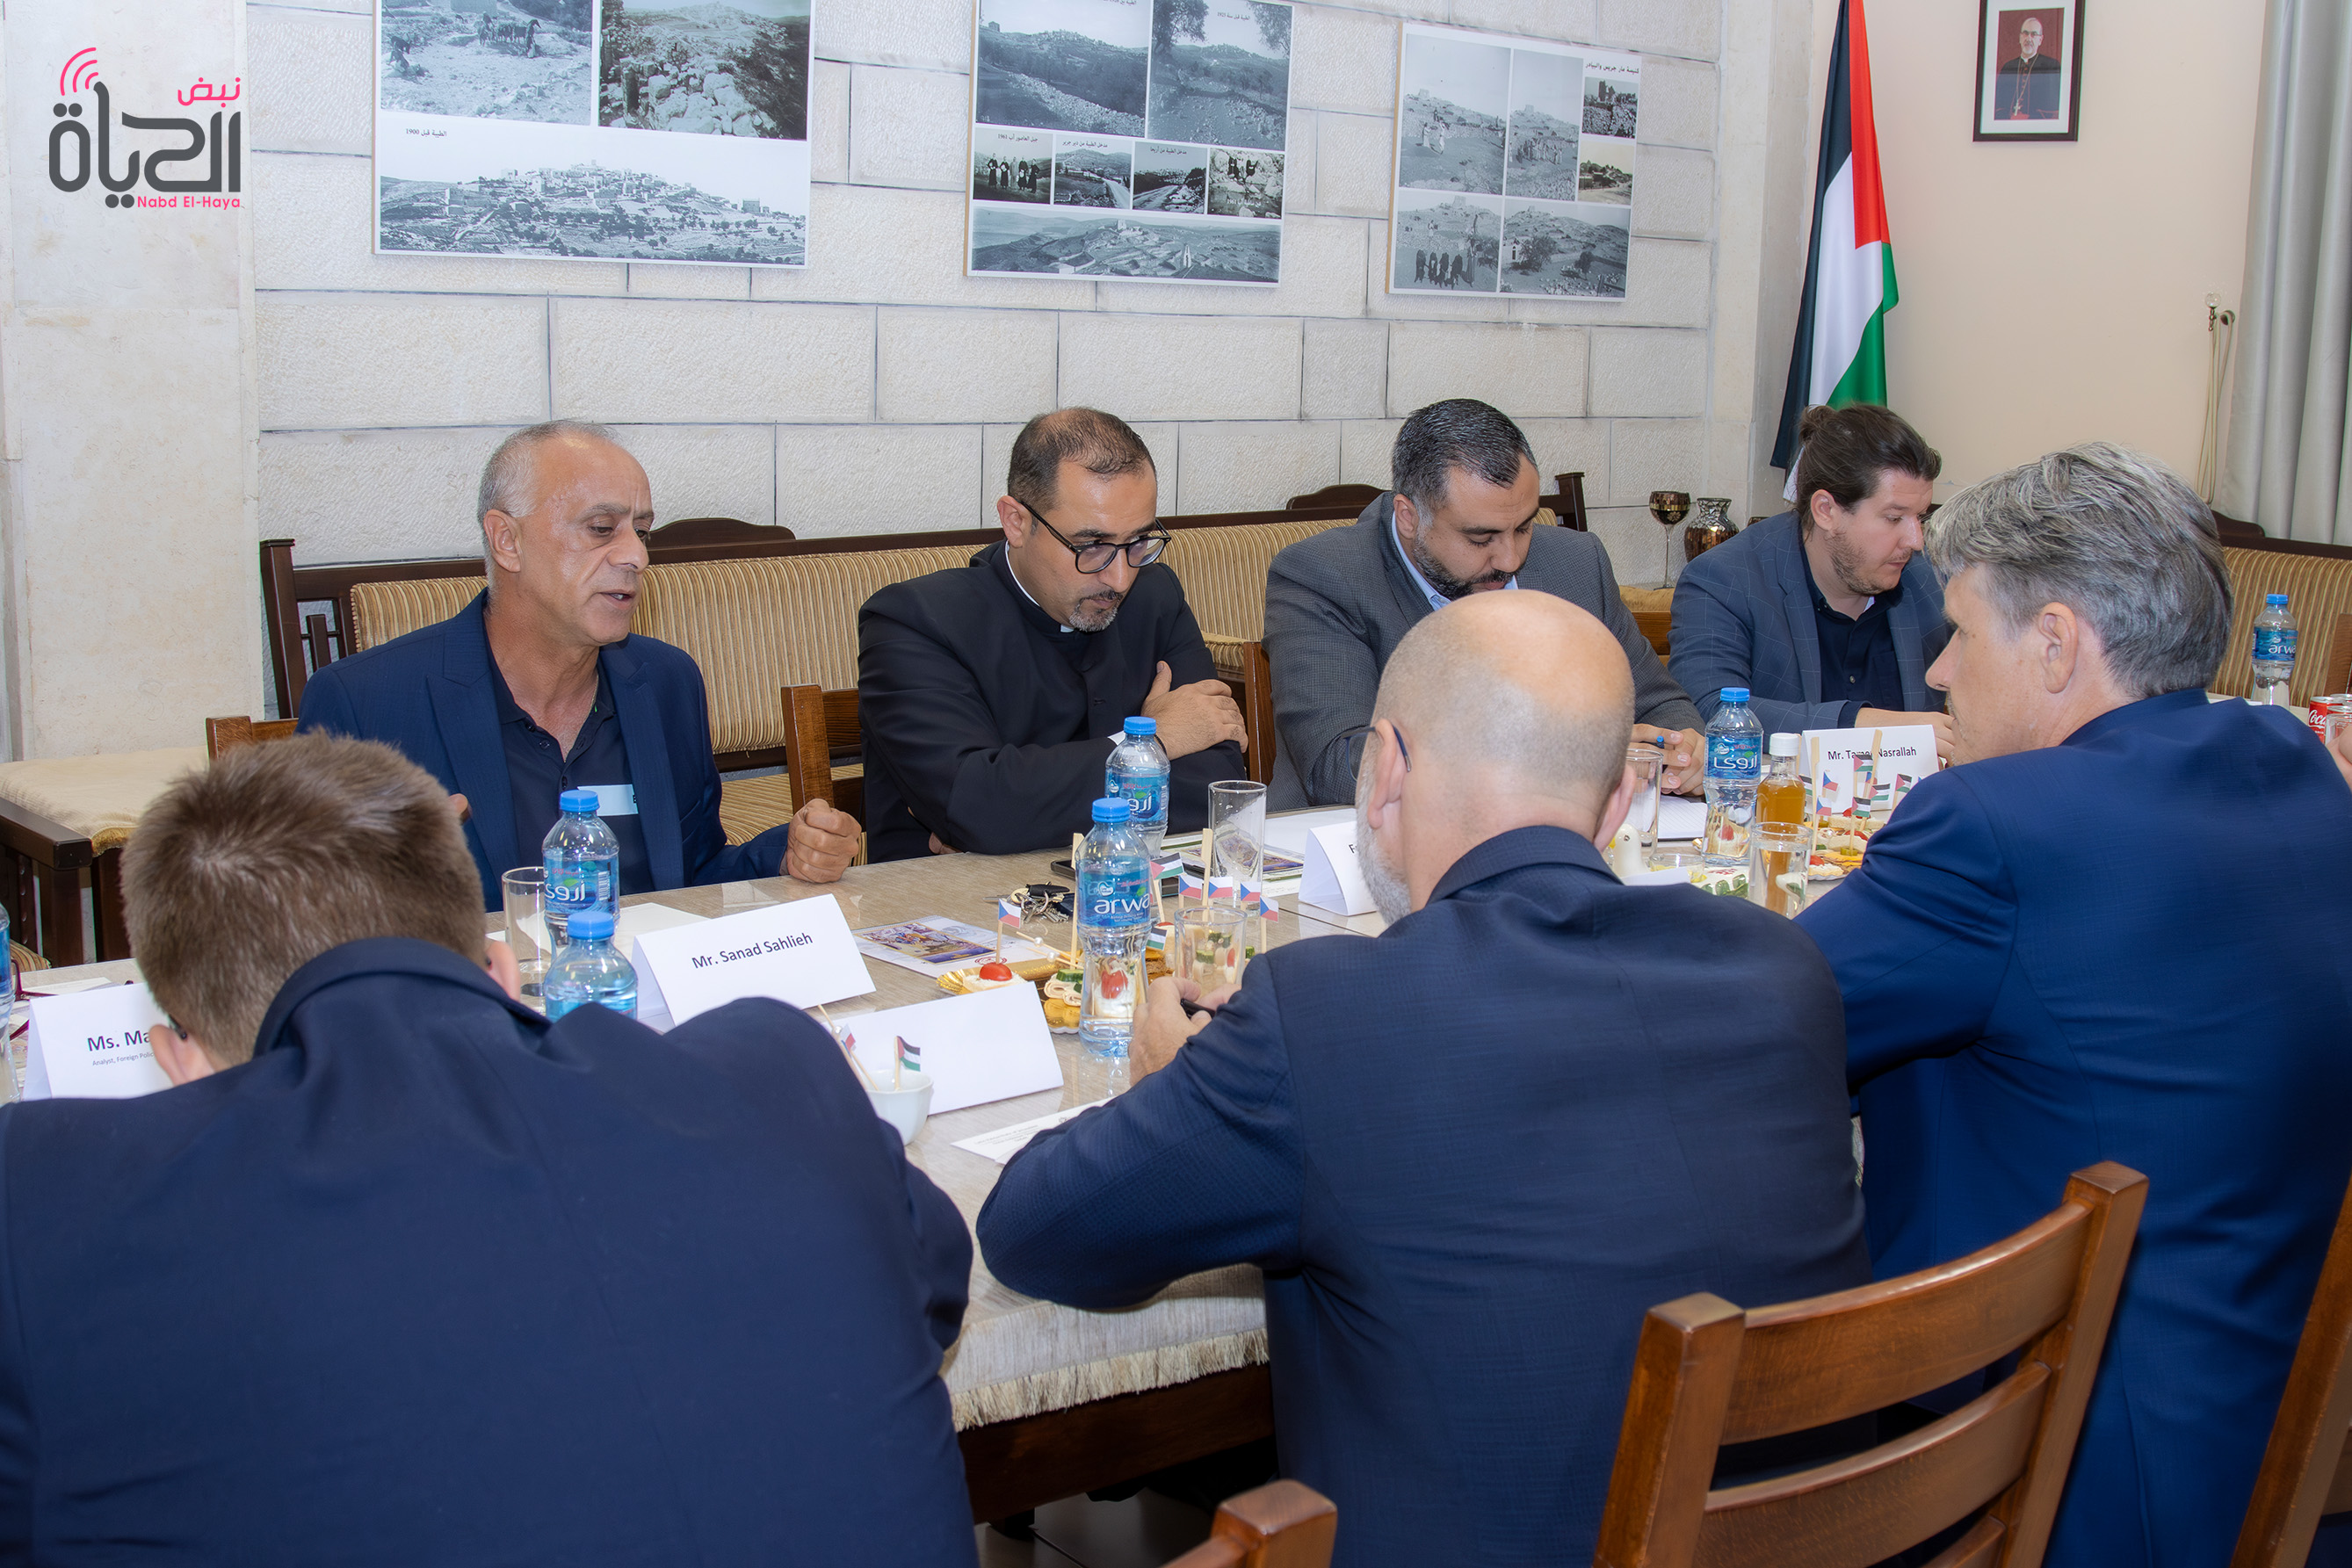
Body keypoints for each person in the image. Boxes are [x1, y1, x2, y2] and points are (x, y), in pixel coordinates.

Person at [977, 592, 1869, 1568]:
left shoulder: (1321, 1015)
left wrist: (1157, 1083)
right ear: (1620, 802)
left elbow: (1035, 1235)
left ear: (1386, 766)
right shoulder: (1780, 969)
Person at [0, 733, 976, 1566]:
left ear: (181, 1062)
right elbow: (928, 1290)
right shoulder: (775, 1070)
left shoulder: (47, 1203)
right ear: (504, 968)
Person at [1796, 444, 2352, 1568]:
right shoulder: (2289, 759)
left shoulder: (1993, 825)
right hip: (2284, 1418)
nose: (1940, 671)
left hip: (2065, 1468)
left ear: (2055, 642)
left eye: (1958, 630)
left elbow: (1766, 1018)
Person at [300, 420, 858, 907]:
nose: (636, 556)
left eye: (641, 533)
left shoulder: (665, 683)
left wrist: (787, 855)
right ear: (507, 540)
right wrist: (380, 882)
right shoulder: (365, 703)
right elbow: (297, 922)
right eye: (600, 529)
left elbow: (696, 880)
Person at [1263, 397, 1704, 810]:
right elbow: (1342, 769)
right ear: (1409, 517)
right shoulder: (1323, 577)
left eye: (1525, 527)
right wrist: (1568, 755)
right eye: (1480, 538)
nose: (1510, 560)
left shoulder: (1576, 564)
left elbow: (1658, 704)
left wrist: (1683, 749)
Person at [859, 408, 1248, 861]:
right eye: (1092, 546)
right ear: (1016, 522)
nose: (1121, 578)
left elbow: (1215, 787)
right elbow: (980, 807)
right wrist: (1151, 742)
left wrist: (1018, 814)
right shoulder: (915, 621)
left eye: (1139, 541)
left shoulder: (1155, 597)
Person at [1670, 402, 1955, 758]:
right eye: (1894, 518)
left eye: (1921, 517)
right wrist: (1867, 726)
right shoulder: (1727, 580)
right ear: (1826, 511)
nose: (1916, 540)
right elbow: (1705, 711)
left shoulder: (1931, 581)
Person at [1996, 14, 2063, 119]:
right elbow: (1998, 106)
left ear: (2040, 40)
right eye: (2025, 33)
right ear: (2020, 37)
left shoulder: (2051, 66)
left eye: (2034, 34)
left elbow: (2053, 110)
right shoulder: (2008, 67)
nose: (2028, 38)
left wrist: (2028, 118)